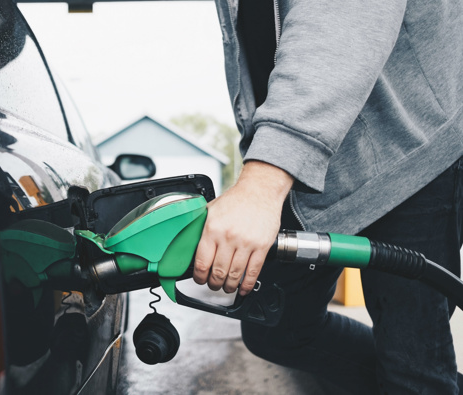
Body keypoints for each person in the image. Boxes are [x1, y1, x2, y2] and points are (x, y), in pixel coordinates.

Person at [193, 0, 463, 393]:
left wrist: (262, 181)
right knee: (275, 329)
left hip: (410, 155)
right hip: (309, 166)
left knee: (410, 363)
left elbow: (343, 16)